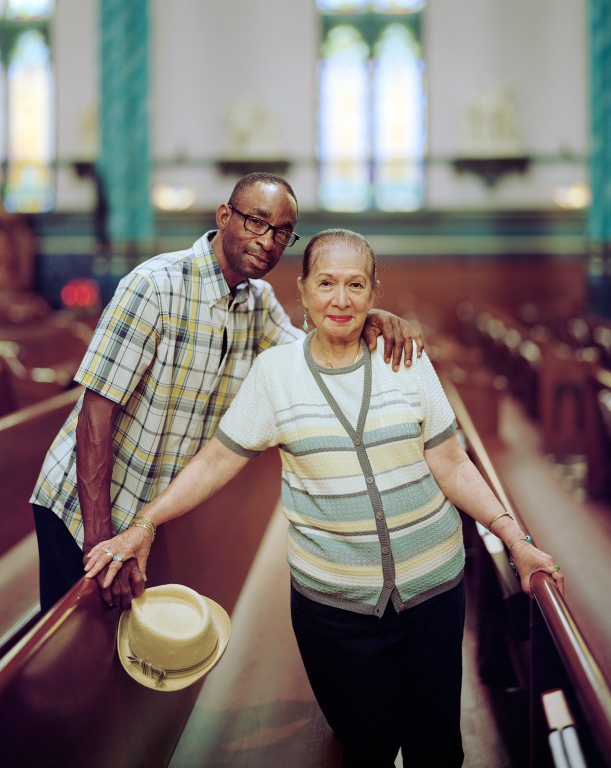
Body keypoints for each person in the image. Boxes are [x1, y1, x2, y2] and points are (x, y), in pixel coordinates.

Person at [85, 228, 564, 768]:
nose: (341, 298)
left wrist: (515, 539)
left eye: (356, 284)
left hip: (433, 590)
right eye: (327, 283)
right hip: (334, 605)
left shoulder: (406, 360)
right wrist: (143, 524)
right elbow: (218, 460)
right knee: (366, 745)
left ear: (374, 291)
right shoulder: (276, 374)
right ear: (304, 289)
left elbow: (452, 463)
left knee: (438, 748)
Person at [31, 174, 424, 613]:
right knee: (72, 647)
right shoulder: (155, 286)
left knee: (118, 644)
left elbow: (311, 356)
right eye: (257, 222)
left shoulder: (257, 303)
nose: (268, 241)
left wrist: (364, 316)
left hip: (145, 510)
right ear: (224, 217)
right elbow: (95, 413)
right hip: (82, 508)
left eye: (282, 233)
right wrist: (100, 539)